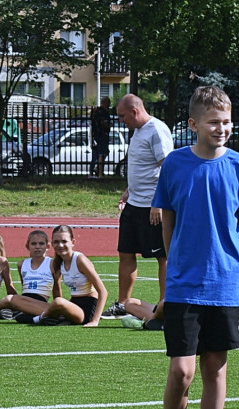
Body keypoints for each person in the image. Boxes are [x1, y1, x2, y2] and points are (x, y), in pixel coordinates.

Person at [150, 86, 239, 409]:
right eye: (214, 122)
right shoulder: (176, 164)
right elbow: (167, 221)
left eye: (227, 121)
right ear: (194, 124)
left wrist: (223, 258)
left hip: (226, 286)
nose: (222, 128)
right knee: (182, 371)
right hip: (184, 286)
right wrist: (180, 261)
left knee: (215, 368)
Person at [105, 93, 173, 318]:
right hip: (134, 203)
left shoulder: (157, 130)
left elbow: (168, 168)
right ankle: (122, 304)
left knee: (162, 256)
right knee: (125, 252)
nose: (120, 120)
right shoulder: (138, 131)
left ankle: (166, 307)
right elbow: (143, 167)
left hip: (152, 207)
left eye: (122, 116)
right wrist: (128, 190)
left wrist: (159, 203)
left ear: (134, 112)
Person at [30, 225, 109, 327]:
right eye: (56, 242)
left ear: (73, 242)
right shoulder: (58, 262)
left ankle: (40, 318)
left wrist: (95, 321)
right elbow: (57, 288)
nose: (60, 245)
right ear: (52, 244)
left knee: (58, 302)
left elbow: (103, 291)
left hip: (88, 307)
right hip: (74, 304)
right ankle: (56, 317)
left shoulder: (80, 260)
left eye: (64, 241)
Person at [9, 230, 60, 323]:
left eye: (41, 244)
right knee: (12, 300)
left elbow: (57, 288)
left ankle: (39, 317)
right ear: (27, 246)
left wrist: (59, 306)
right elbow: (24, 286)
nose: (37, 247)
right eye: (33, 244)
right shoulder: (21, 264)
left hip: (40, 302)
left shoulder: (52, 264)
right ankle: (40, 318)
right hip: (25, 300)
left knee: (14, 306)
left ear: (48, 246)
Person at [89, 96, 112, 179]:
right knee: (102, 154)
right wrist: (110, 125)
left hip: (95, 135)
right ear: (105, 102)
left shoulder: (96, 111)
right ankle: (100, 173)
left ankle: (94, 171)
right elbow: (104, 123)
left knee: (97, 154)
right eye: (108, 102)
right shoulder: (104, 112)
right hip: (102, 135)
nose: (109, 104)